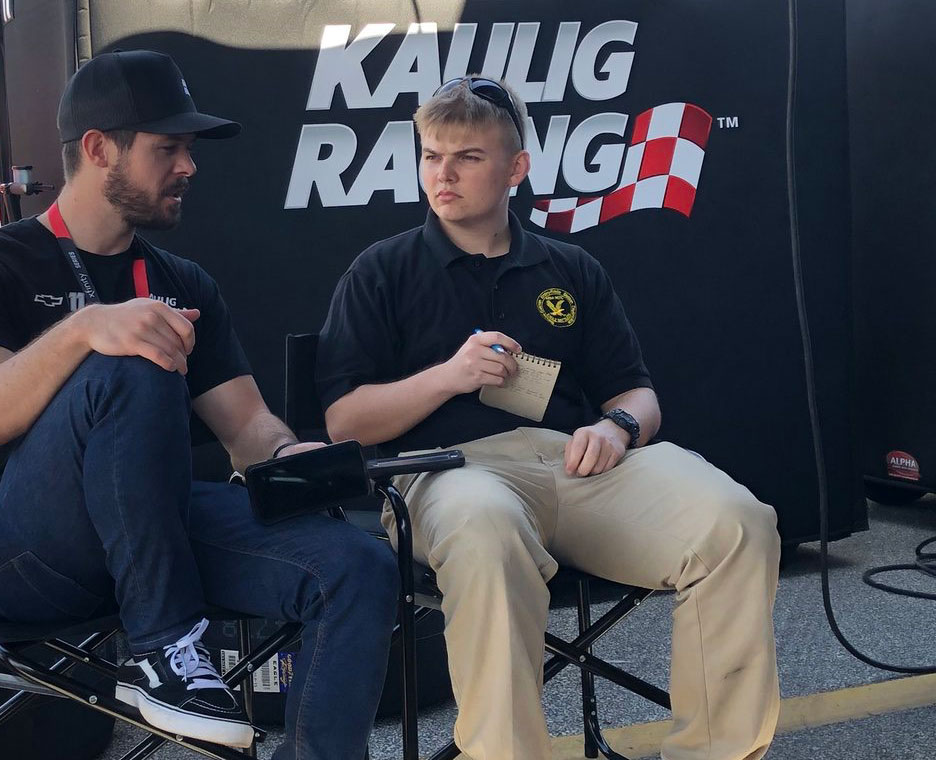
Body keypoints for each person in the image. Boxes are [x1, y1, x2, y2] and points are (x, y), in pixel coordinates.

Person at [0, 50, 398, 756]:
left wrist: (287, 454)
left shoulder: (185, 282)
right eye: (167, 148)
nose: (189, 165)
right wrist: (88, 327)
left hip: (156, 527)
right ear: (97, 149)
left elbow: (246, 428)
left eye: (188, 148)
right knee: (132, 357)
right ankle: (165, 647)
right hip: (16, 554)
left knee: (358, 566)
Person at [316, 76, 781, 760]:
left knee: (737, 522)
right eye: (430, 155)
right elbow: (342, 424)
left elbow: (636, 393)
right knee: (486, 526)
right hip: (445, 475)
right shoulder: (382, 271)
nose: (442, 174)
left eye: (467, 157)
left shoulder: (570, 266)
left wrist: (617, 428)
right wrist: (449, 376)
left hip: (572, 465)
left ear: (517, 168)